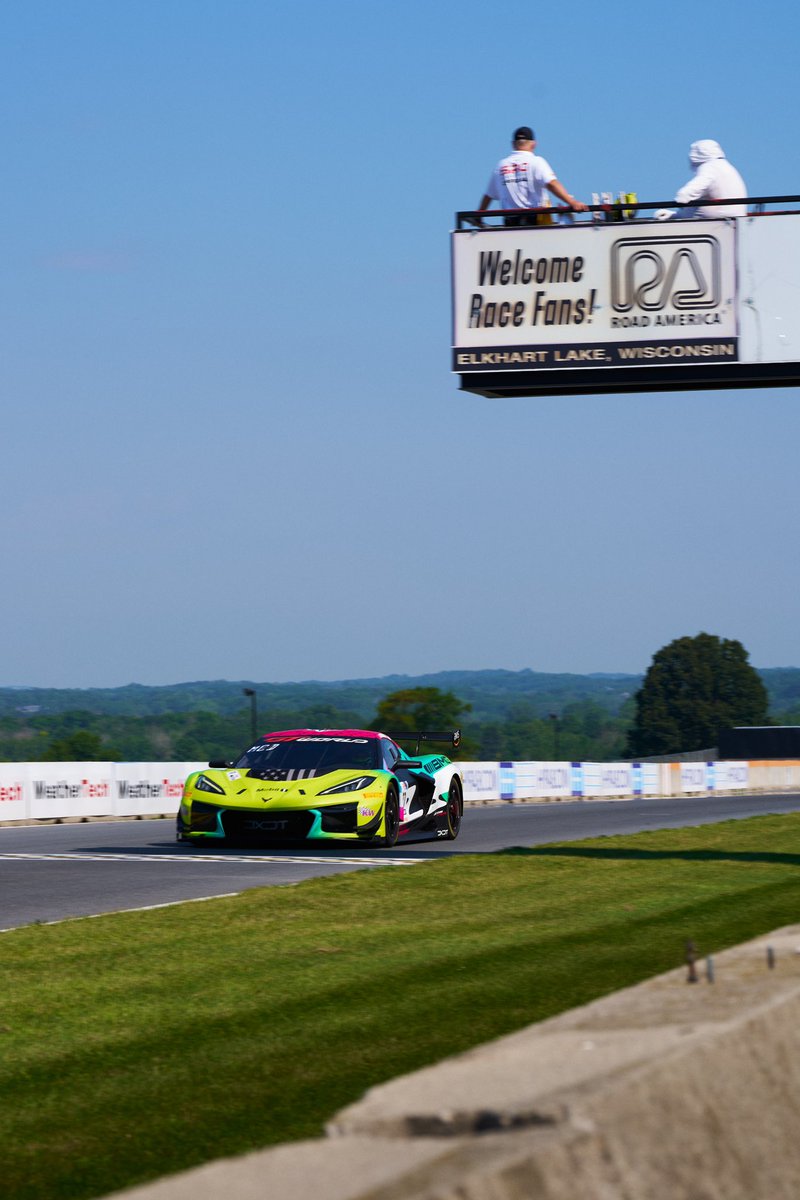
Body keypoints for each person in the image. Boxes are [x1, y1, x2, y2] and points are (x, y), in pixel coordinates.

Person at [476, 126, 587, 225]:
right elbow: (552, 184)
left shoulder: (501, 166)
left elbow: (488, 196)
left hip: (510, 227)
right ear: (533, 144)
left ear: (513, 144)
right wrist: (572, 202)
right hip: (536, 224)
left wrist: (478, 217)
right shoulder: (536, 162)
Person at [658, 140, 747, 220]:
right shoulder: (725, 166)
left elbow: (697, 187)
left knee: (695, 205)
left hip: (722, 214)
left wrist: (682, 197)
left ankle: (675, 216)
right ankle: (676, 215)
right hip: (737, 214)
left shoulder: (710, 167)